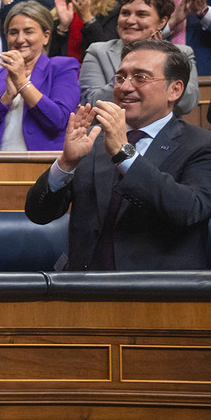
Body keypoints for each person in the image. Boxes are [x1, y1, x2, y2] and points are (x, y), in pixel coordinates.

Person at [25, 39, 211, 270]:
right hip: (82, 289)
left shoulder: (201, 144)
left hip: (160, 294)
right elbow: (39, 214)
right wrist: (66, 164)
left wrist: (125, 155)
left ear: (175, 89)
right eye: (121, 77)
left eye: (140, 78)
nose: (124, 87)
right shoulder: (94, 141)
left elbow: (188, 210)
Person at [0, 1, 80, 150]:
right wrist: (6, 98)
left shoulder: (62, 68)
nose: (20, 39)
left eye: (28, 32)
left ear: (46, 37)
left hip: (45, 166)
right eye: (13, 32)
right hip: (0, 165)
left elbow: (58, 120)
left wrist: (22, 83)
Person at [81, 0, 200, 114]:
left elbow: (188, 104)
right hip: (111, 129)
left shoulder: (182, 53)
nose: (130, 20)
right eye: (125, 13)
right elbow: (91, 104)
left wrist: (157, 58)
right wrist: (128, 71)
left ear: (162, 22)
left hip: (164, 133)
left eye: (141, 14)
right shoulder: (98, 52)